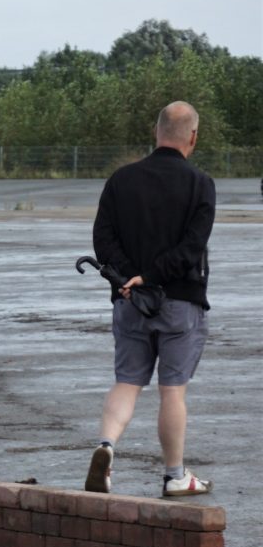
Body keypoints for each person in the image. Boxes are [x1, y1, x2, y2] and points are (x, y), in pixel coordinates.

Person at [86, 101, 216, 497]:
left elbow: (103, 239)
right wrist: (154, 275)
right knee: (172, 390)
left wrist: (129, 277)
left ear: (156, 132)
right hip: (180, 303)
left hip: (130, 301)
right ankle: (175, 476)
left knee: (126, 382)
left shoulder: (120, 180)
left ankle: (106, 446)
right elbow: (193, 247)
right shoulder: (201, 183)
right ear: (192, 137)